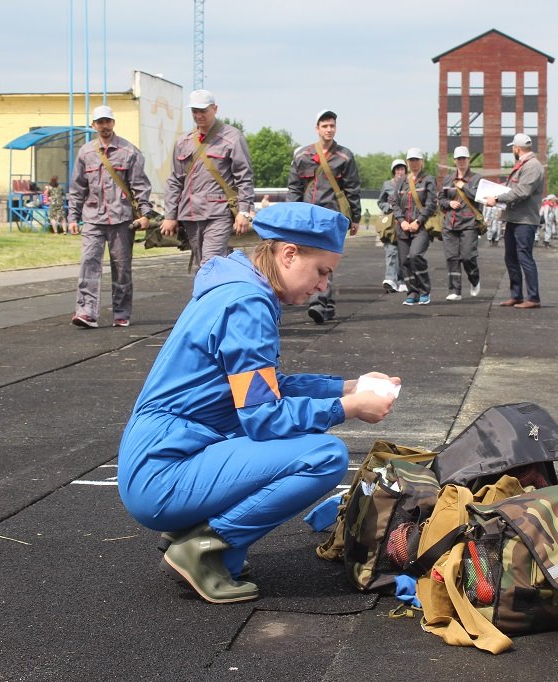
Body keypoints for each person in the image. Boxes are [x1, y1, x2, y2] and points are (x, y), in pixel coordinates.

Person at [117, 202, 399, 604]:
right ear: (288, 254)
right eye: (322, 271)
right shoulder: (249, 303)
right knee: (324, 456)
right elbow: (265, 416)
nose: (323, 286)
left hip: (160, 456)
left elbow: (268, 386)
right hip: (162, 475)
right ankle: (204, 549)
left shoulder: (238, 287)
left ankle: (190, 531)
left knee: (289, 442)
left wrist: (351, 386)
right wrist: (349, 408)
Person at [67, 105, 152, 328]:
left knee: (121, 267)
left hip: (122, 218)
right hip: (93, 217)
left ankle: (121, 312)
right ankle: (86, 312)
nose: (104, 126)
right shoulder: (85, 153)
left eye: (108, 121)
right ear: (93, 125)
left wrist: (145, 213)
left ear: (113, 123)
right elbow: (77, 188)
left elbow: (141, 186)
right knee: (89, 263)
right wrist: (73, 217)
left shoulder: (129, 151)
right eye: (100, 122)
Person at [161, 90, 255, 269]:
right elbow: (175, 180)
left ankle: (210, 295)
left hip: (218, 213)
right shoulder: (183, 142)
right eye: (194, 111)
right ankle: (216, 295)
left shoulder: (232, 138)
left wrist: (243, 212)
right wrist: (170, 215)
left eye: (203, 110)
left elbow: (244, 177)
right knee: (203, 266)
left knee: (210, 263)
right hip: (190, 214)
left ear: (215, 109)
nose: (198, 115)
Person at [287, 110, 361, 324]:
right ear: (317, 128)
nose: (329, 129)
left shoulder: (345, 156)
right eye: (325, 126)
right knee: (310, 258)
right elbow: (294, 188)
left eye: (332, 126)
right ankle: (325, 304)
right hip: (307, 217)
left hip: (332, 217)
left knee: (324, 259)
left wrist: (354, 218)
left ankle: (319, 302)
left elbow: (352, 188)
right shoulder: (302, 156)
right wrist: (291, 216)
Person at [485, 133, 545, 309]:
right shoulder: (524, 165)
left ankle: (533, 298)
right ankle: (516, 295)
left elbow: (521, 192)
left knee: (524, 257)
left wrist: (496, 199)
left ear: (517, 149)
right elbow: (513, 188)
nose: (513, 150)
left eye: (513, 148)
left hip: (525, 220)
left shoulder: (533, 166)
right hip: (514, 218)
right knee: (510, 257)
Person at [392, 147, 437, 305]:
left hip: (421, 227)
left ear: (422, 162)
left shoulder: (428, 180)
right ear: (407, 162)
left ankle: (425, 290)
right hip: (403, 227)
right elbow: (394, 202)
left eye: (416, 160)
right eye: (411, 160)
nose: (414, 163)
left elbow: (431, 203)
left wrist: (418, 221)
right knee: (404, 261)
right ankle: (412, 292)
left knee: (415, 256)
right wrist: (402, 221)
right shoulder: (401, 181)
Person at [438, 146, 483, 301]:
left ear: (468, 160)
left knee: (467, 256)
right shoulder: (448, 179)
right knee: (452, 257)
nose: (461, 161)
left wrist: (465, 186)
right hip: (450, 223)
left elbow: (479, 197)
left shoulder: (477, 178)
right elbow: (440, 199)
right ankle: (455, 290)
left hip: (469, 223)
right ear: (454, 160)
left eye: (464, 158)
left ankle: (474, 278)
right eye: (459, 159)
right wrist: (449, 203)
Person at [376, 159, 407, 293]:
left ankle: (402, 280)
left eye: (402, 169)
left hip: (405, 221)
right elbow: (380, 201)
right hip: (390, 222)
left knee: (403, 253)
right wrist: (387, 206)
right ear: (394, 171)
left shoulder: (410, 184)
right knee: (391, 251)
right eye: (397, 169)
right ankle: (390, 279)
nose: (400, 171)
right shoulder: (387, 184)